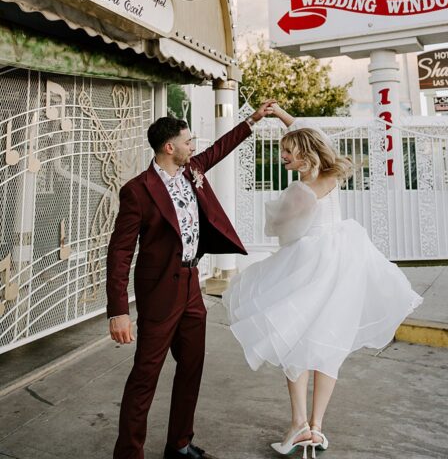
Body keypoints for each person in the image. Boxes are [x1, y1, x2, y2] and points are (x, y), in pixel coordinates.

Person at [224, 104, 422, 456]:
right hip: (344, 264)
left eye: (288, 152)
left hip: (308, 268)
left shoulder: (300, 192)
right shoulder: (332, 175)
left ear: (302, 156)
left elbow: (282, 233)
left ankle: (298, 424)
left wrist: (278, 214)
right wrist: (285, 115)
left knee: (294, 339)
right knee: (331, 343)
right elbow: (319, 136)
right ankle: (316, 427)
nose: (282, 156)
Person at [106, 100, 277, 459]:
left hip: (192, 286)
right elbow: (120, 253)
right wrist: (118, 310)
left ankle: (179, 444)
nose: (194, 146)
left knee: (192, 366)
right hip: (158, 294)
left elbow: (221, 147)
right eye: (188, 141)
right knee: (145, 377)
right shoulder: (137, 190)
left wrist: (253, 119)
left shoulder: (193, 169)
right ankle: (128, 453)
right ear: (170, 148)